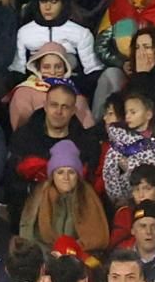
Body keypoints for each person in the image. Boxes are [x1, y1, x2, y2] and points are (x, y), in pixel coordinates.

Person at [7, 81, 99, 213]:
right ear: (45, 106)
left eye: (65, 107)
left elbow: (90, 184)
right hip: (31, 208)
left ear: (73, 110)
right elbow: (12, 182)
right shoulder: (23, 137)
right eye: (54, 105)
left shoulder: (87, 142)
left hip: (75, 209)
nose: (58, 112)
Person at [19, 140, 108, 252]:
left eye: (71, 172)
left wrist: (71, 252)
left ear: (78, 175)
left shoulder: (88, 196)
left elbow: (97, 239)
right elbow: (27, 234)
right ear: (52, 176)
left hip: (79, 259)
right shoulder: (39, 196)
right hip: (44, 258)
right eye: (60, 172)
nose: (66, 177)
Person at [10, 0, 103, 82]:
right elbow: (18, 69)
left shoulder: (80, 32)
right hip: (34, 83)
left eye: (54, 2)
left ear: (63, 3)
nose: (47, 7)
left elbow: (92, 69)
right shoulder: (24, 32)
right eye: (43, 2)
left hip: (71, 84)